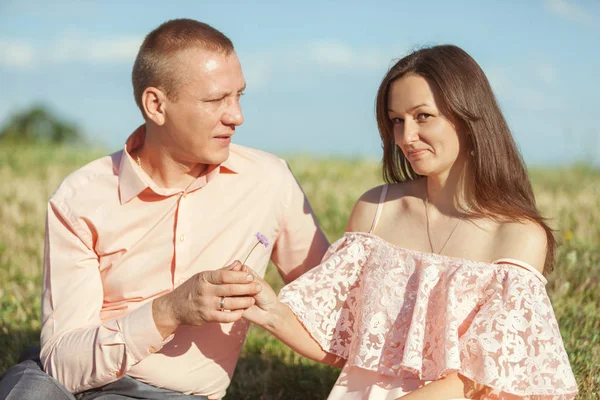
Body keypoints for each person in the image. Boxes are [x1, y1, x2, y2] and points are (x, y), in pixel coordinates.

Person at [0, 18, 329, 400]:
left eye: (239, 96)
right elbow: (63, 364)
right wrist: (170, 310)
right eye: (215, 100)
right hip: (57, 379)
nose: (236, 116)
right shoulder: (80, 198)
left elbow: (334, 312)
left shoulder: (269, 181)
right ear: (156, 104)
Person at [242, 45, 579, 399]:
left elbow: (478, 380)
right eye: (397, 121)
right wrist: (271, 312)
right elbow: (344, 345)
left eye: (422, 116)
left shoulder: (518, 235)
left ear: (468, 115)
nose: (405, 137)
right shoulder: (376, 210)